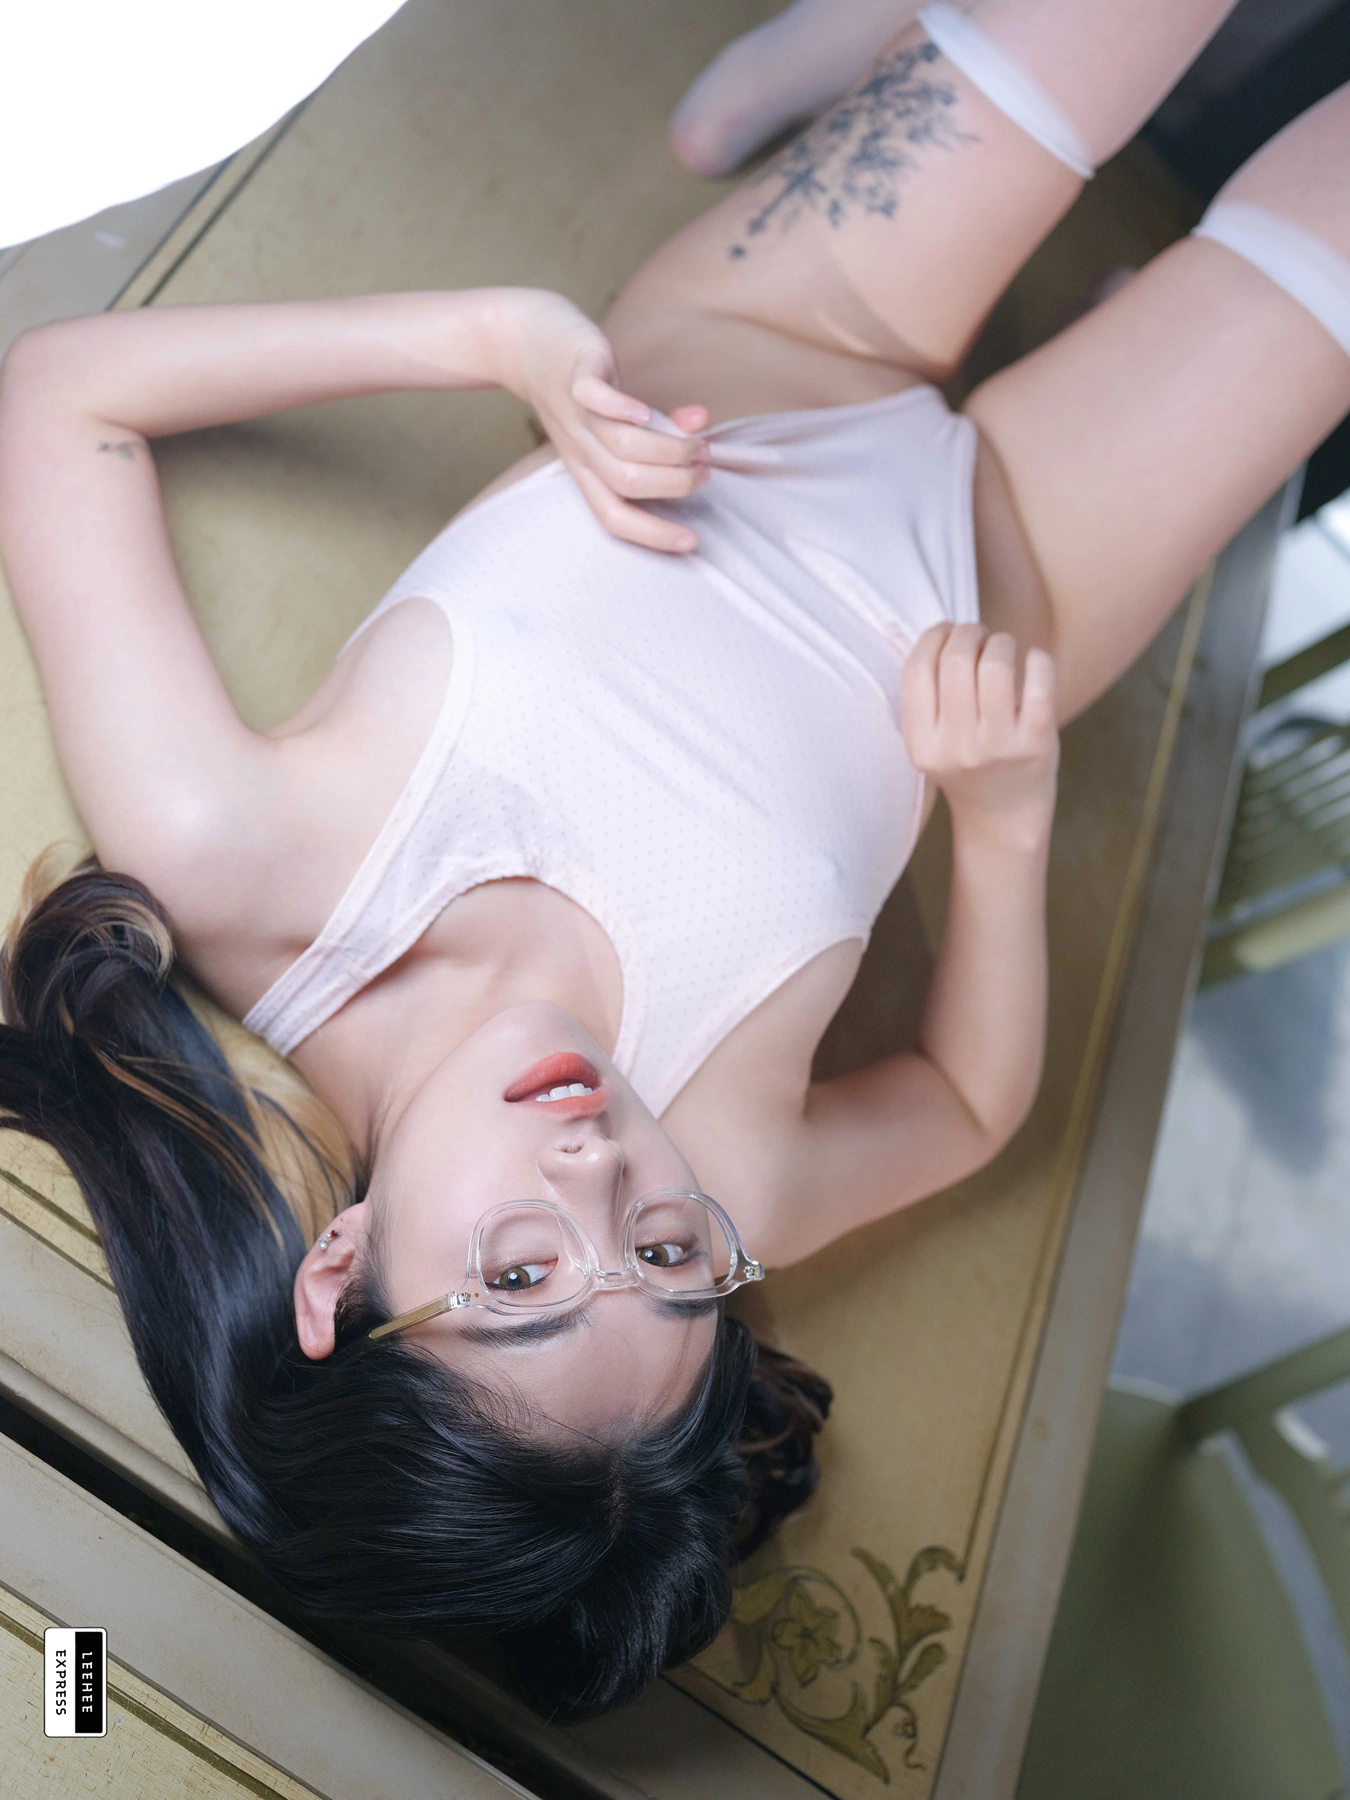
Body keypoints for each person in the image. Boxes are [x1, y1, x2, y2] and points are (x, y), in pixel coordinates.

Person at [2, 0, 1349, 1722]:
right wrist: (1002, 821)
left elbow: (65, 395)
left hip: (776, 332)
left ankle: (851, 41)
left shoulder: (240, 862)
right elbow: (963, 1105)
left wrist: (492, 339)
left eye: (515, 1277)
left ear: (342, 1270)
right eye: (663, 1259)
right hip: (1012, 568)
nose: (596, 1176)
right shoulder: (733, 1173)